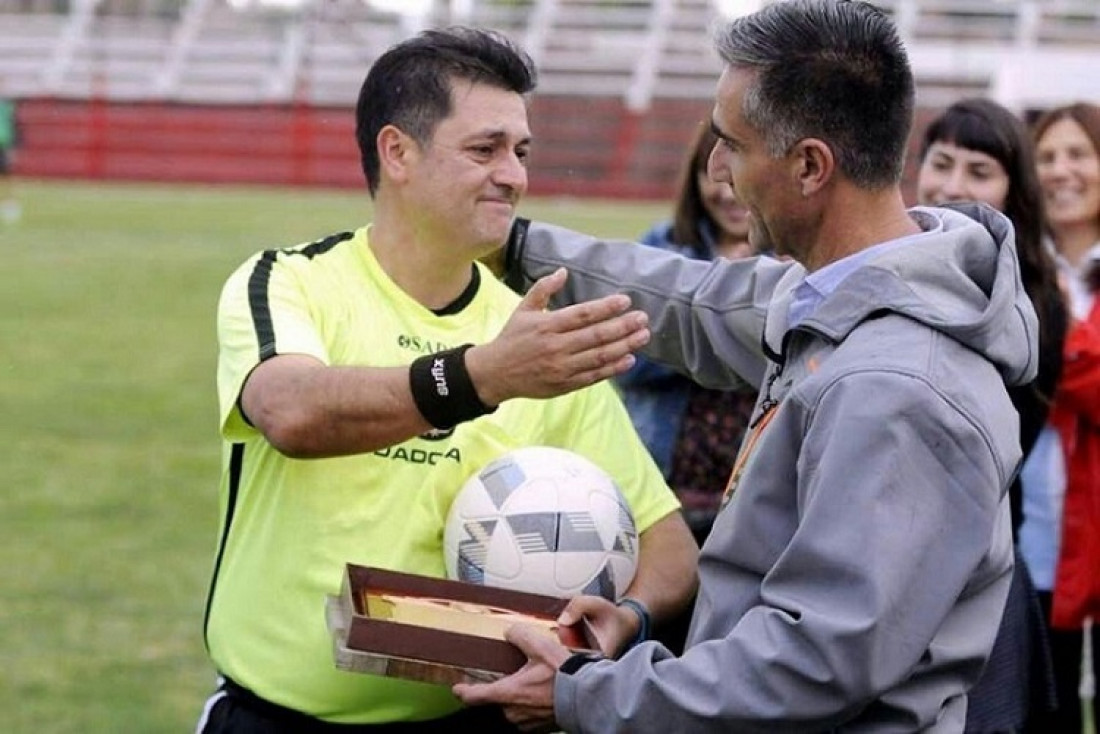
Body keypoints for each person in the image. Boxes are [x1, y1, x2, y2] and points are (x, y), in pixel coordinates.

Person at [453, 1, 1039, 730]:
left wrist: (588, 692)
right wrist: (510, 246)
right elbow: (692, 301)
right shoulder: (844, 292)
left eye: (731, 142)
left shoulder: (898, 387)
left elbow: (813, 662)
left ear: (809, 166)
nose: (717, 168)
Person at [195, 26, 698, 733]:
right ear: (397, 152)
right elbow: (291, 412)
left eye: (521, 152)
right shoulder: (292, 283)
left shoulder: (534, 333)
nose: (514, 176)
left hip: (474, 721)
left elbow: (670, 546)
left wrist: (620, 624)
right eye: (484, 149)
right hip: (275, 718)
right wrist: (481, 376)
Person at [916, 97, 1063, 732]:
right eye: (941, 163)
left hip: (979, 571)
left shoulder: (1033, 310)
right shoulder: (882, 272)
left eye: (980, 172)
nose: (952, 186)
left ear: (1014, 191)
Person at [619, 121, 761, 547]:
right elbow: (626, 363)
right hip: (665, 491)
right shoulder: (662, 250)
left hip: (752, 506)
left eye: (742, 173)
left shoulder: (793, 262)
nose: (728, 192)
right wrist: (715, 304)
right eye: (712, 172)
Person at [1022, 101, 1100, 734]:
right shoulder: (1015, 266)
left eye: (1078, 154)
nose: (1061, 171)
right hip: (1032, 536)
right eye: (1045, 157)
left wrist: (1045, 343)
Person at [0, 79, 19, 226]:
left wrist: (13, 145)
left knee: (6, 177)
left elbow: (14, 125)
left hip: (3, 143)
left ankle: (9, 204)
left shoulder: (7, 106)